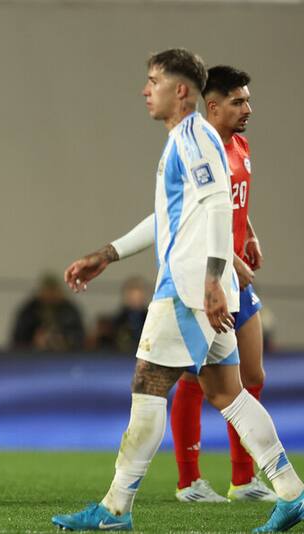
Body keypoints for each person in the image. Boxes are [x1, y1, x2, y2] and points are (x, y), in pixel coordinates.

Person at [52, 48, 304, 532]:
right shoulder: (191, 139)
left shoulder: (191, 136)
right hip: (206, 284)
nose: (146, 90)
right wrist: (108, 253)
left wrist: (209, 282)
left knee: (148, 386)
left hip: (188, 287)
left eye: (153, 81)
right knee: (228, 392)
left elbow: (215, 208)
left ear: (181, 90)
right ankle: (291, 491)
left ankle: (114, 509)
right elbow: (171, 216)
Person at [170, 65, 276, 503]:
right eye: (239, 101)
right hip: (207, 277)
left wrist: (248, 231)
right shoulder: (199, 149)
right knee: (197, 380)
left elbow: (232, 203)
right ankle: (189, 481)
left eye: (248, 100)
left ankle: (242, 480)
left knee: (252, 376)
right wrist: (229, 258)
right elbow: (193, 215)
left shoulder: (242, 145)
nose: (248, 109)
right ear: (212, 106)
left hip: (235, 280)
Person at [10, 273, 84, 352]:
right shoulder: (29, 311)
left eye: (53, 290)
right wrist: (33, 341)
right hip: (33, 357)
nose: (50, 295)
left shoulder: (70, 311)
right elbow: (17, 339)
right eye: (47, 290)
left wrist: (65, 340)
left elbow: (80, 337)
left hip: (66, 356)